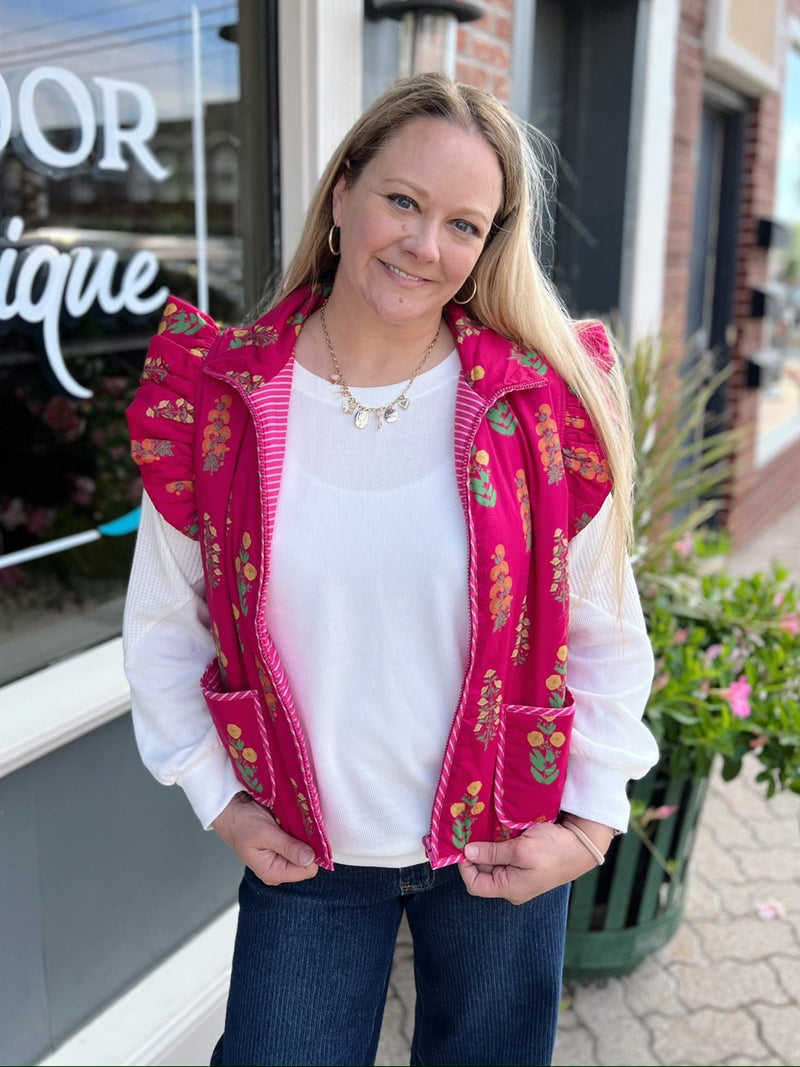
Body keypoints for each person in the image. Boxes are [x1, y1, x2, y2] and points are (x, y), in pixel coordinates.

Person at [123, 72, 658, 1067]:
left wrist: (587, 827)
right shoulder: (223, 402)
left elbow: (601, 626)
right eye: (402, 200)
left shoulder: (533, 407)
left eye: (464, 223)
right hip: (306, 861)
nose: (425, 245)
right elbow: (163, 625)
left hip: (502, 839)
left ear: (487, 246)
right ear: (341, 195)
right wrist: (217, 796)